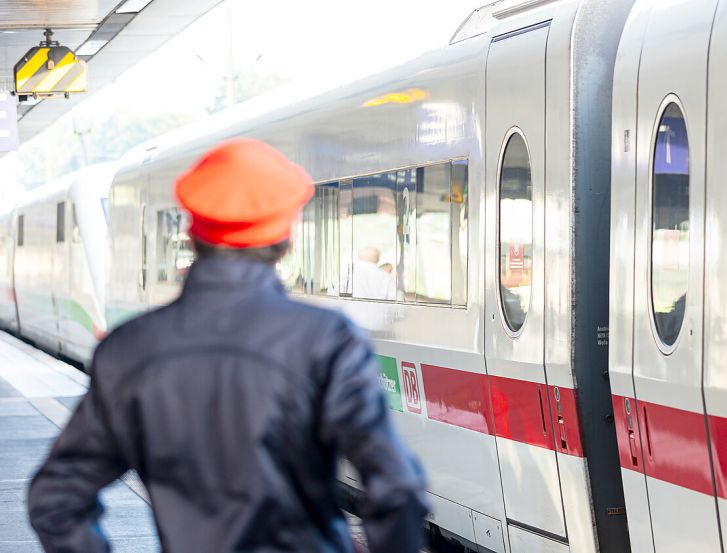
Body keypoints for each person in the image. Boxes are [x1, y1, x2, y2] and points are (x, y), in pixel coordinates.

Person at [27, 138, 429, 553]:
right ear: (286, 239)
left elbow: (55, 499)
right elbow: (398, 489)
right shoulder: (327, 340)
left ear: (192, 235)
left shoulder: (130, 348)